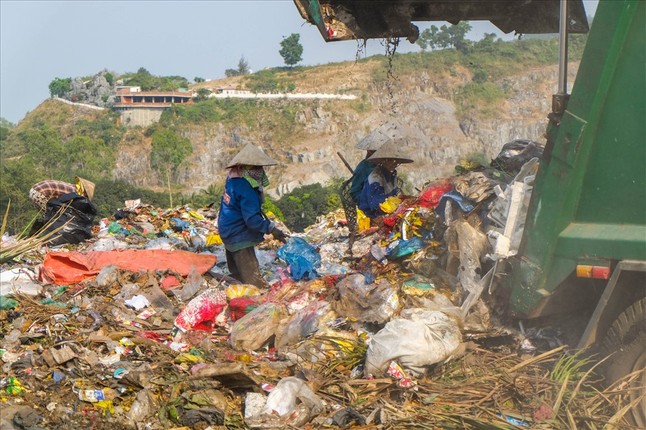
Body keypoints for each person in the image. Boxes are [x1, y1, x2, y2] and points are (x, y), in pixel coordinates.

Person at [217, 143, 288, 288]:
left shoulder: (233, 179)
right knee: (253, 281)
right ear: (246, 168)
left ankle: (237, 293)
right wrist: (272, 229)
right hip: (238, 235)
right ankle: (251, 306)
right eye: (255, 168)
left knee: (238, 275)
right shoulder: (246, 189)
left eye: (260, 167)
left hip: (227, 229)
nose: (260, 171)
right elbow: (252, 220)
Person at [358, 137, 413, 219]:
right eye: (391, 160)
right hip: (371, 216)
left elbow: (394, 195)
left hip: (388, 211)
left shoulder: (392, 174)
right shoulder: (375, 178)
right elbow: (376, 204)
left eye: (396, 161)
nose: (394, 163)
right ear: (383, 161)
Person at [29, 177, 95, 211]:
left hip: (34, 190)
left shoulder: (71, 186)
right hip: (39, 193)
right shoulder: (73, 192)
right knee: (51, 216)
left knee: (46, 215)